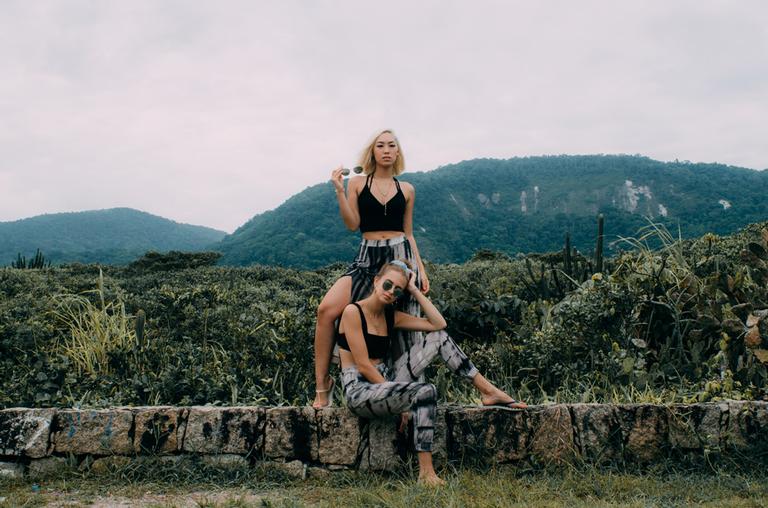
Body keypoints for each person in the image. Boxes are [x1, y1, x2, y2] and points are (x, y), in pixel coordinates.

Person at [338, 260, 527, 486]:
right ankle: (426, 474)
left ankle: (488, 391)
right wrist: (400, 406)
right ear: (376, 281)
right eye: (387, 285)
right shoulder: (353, 312)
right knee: (425, 391)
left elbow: (438, 324)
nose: (390, 292)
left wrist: (414, 290)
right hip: (360, 389)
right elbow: (364, 365)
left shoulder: (391, 316)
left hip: (386, 379)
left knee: (439, 338)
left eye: (397, 290)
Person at [312, 129, 430, 409]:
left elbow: (409, 233)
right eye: (381, 145)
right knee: (327, 310)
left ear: (398, 152)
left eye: (392, 145)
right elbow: (352, 224)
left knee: (403, 327)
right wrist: (340, 191)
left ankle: (407, 394)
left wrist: (421, 270)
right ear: (373, 151)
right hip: (367, 257)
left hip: (399, 257)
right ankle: (322, 386)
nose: (387, 150)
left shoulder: (407, 189)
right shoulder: (357, 183)